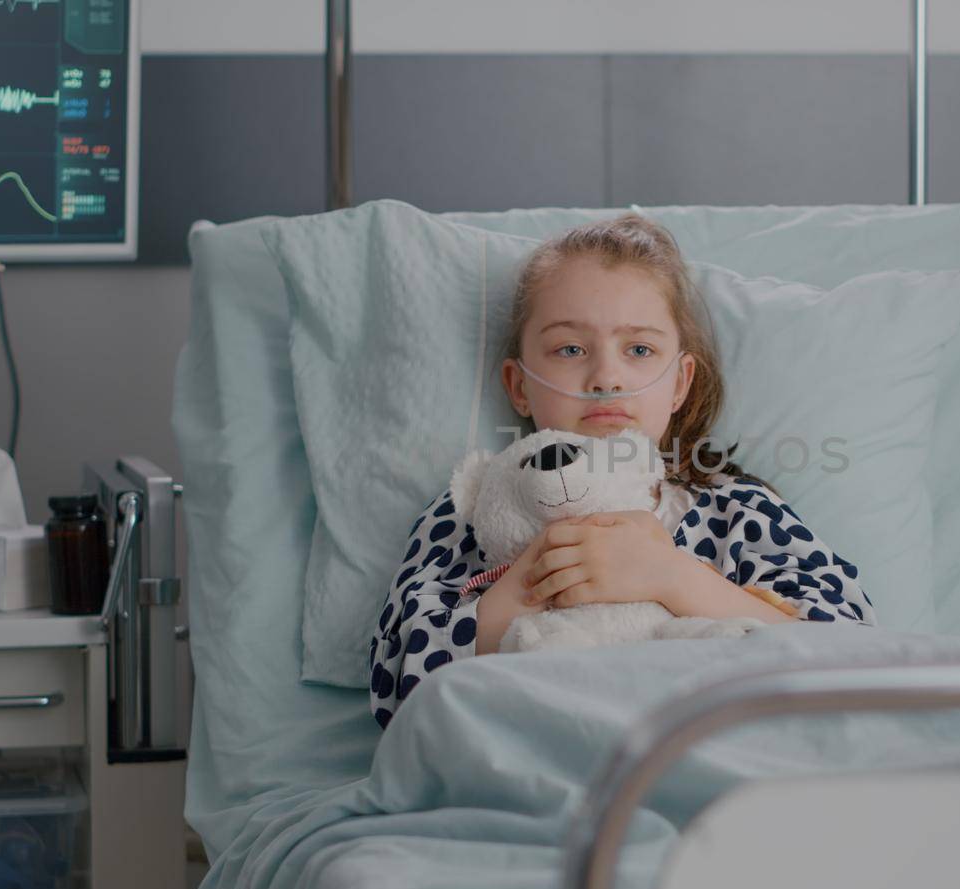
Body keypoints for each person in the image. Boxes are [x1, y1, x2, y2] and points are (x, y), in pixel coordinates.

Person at [370, 214, 873, 728]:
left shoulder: (736, 511)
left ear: (679, 383)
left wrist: (671, 577)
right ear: (518, 386)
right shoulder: (471, 509)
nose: (607, 378)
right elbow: (395, 687)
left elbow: (854, 655)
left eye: (639, 349)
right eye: (570, 349)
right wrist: (529, 585)